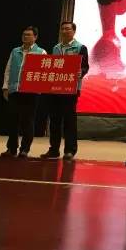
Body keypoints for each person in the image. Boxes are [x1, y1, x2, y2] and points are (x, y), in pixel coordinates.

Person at [40, 21, 89, 161]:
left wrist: (81, 72)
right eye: (63, 29)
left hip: (71, 89)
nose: (65, 31)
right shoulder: (56, 48)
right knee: (54, 120)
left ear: (74, 31)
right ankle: (54, 150)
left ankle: (70, 150)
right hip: (55, 88)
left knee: (69, 121)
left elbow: (85, 66)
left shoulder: (80, 47)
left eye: (68, 29)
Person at [1, 26, 47, 158]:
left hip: (31, 92)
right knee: (13, 120)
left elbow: (44, 72)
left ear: (35, 37)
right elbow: (8, 69)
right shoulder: (15, 51)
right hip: (14, 90)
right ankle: (11, 148)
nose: (25, 37)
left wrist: (39, 89)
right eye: (24, 34)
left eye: (28, 35)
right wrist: (5, 87)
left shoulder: (41, 52)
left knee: (28, 120)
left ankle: (25, 149)